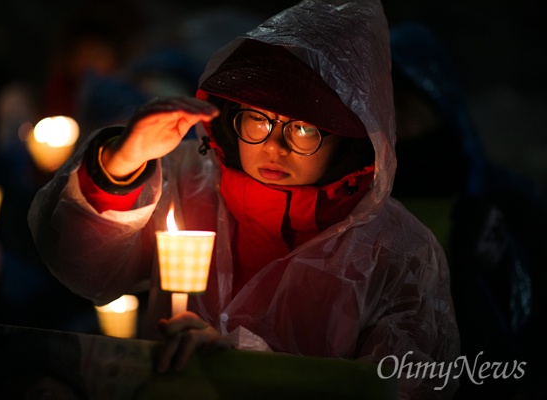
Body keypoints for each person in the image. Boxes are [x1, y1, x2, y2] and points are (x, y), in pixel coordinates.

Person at [28, 1, 460, 398]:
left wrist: (242, 363)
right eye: (257, 119)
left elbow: (401, 387)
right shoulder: (189, 187)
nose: (274, 147)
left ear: (349, 143)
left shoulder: (396, 251)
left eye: (304, 129)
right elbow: (83, 261)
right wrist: (120, 165)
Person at [390, 22, 547, 399]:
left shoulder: (499, 207)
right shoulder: (355, 198)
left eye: (407, 103)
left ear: (440, 105)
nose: (395, 120)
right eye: (385, 103)